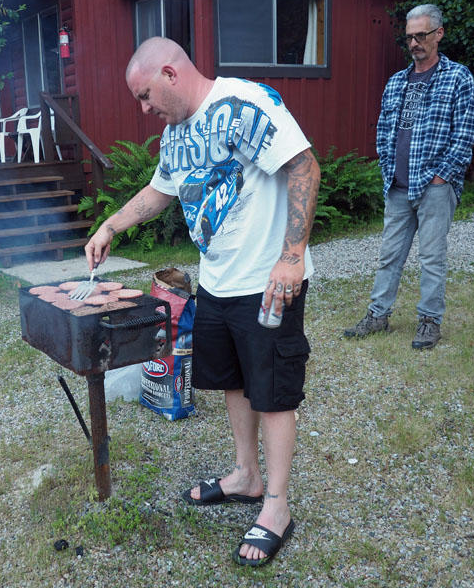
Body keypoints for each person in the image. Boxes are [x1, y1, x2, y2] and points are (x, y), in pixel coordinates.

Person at [85, 37, 320, 567]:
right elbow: (159, 191)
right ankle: (246, 475)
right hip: (217, 280)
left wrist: (291, 257)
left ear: (170, 73)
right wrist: (111, 225)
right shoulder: (176, 134)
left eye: (145, 95)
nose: (144, 109)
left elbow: (303, 167)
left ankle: (277, 506)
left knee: (274, 391)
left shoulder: (244, 104)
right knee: (234, 381)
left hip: (267, 281)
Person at [344, 3, 474, 349]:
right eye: (410, 37)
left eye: (422, 35)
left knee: (432, 257)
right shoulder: (396, 82)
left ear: (439, 34)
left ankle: (429, 322)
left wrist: (443, 175)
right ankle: (378, 315)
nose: (415, 43)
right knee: (389, 255)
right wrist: (387, 170)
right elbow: (384, 131)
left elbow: (468, 130)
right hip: (398, 187)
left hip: (435, 186)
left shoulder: (457, 77)